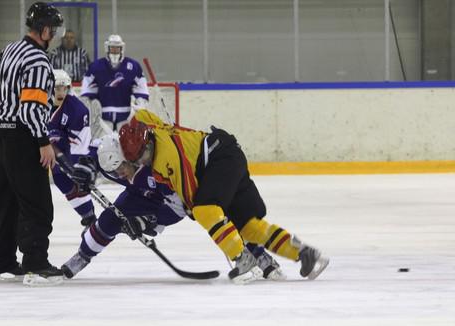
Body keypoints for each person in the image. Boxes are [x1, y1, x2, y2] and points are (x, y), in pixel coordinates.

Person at [117, 110, 330, 284]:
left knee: (204, 209)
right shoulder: (148, 127)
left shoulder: (166, 158)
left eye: (143, 155)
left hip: (220, 159)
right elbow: (141, 114)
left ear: (147, 144)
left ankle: (243, 260)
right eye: (137, 160)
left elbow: (191, 204)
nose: (143, 162)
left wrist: (152, 221)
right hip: (228, 153)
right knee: (249, 226)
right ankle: (303, 253)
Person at [60, 133, 286, 281]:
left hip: (174, 195)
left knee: (217, 216)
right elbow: (92, 152)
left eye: (121, 169)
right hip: (137, 195)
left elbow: (178, 209)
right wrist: (86, 168)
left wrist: (148, 222)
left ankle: (259, 255)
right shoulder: (110, 153)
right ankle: (82, 256)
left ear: (131, 159)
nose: (118, 175)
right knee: (109, 220)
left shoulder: (156, 169)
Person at [0, 2, 65, 286]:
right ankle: (35, 263)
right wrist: (43, 142)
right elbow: (31, 108)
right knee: (37, 203)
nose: (54, 34)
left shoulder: (9, 50)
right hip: (23, 137)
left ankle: (1, 263)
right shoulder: (38, 61)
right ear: (43, 30)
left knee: (5, 201)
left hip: (0, 134)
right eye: (52, 30)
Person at [48, 69, 96, 230]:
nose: (60, 92)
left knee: (77, 181)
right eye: (56, 88)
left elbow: (80, 143)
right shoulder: (41, 103)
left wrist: (76, 166)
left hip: (71, 151)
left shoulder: (77, 110)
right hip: (49, 151)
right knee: (61, 181)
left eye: (64, 88)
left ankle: (90, 219)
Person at [80, 34, 149, 133]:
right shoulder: (96, 66)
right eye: (112, 48)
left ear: (122, 49)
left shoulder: (133, 66)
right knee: (102, 144)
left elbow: (141, 88)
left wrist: (141, 102)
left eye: (117, 48)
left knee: (125, 145)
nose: (115, 51)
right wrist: (88, 103)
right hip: (103, 116)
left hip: (125, 116)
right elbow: (87, 90)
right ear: (107, 48)